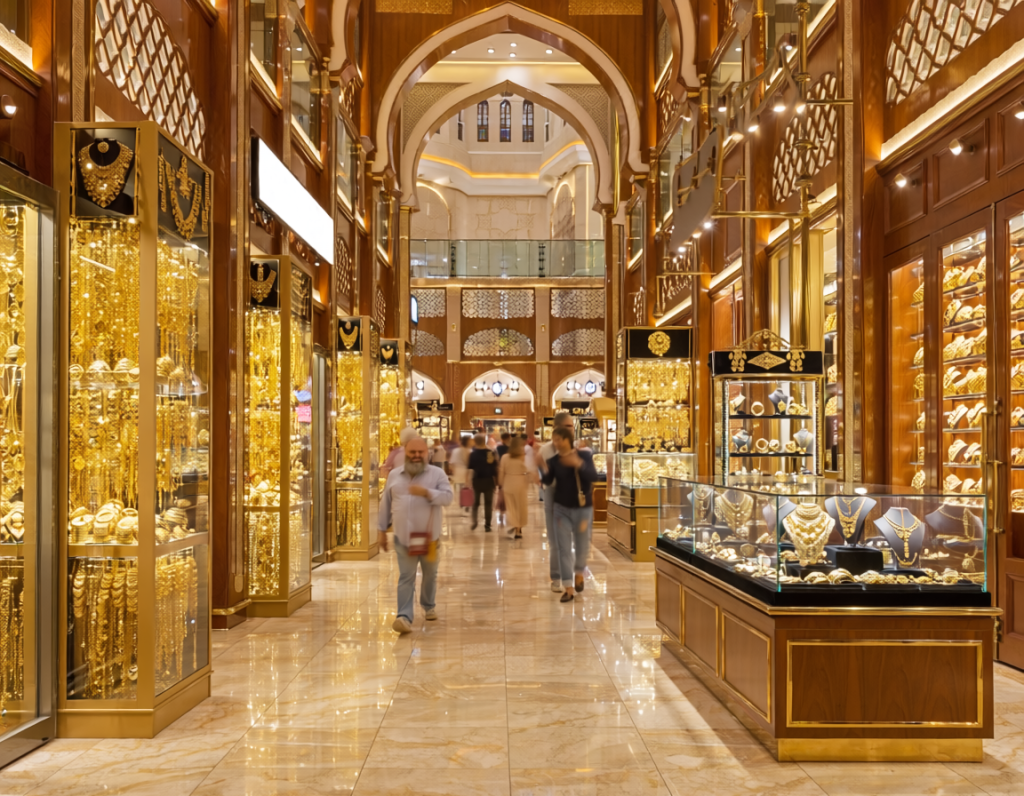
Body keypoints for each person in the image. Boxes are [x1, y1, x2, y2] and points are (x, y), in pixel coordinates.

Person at [379, 435, 453, 633]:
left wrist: (427, 493)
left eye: (421, 452)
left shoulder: (437, 474)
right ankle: (404, 616)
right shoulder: (394, 475)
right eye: (412, 452)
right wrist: (381, 530)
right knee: (406, 576)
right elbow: (385, 504)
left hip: (430, 538)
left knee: (430, 574)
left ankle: (429, 605)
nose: (416, 455)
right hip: (403, 537)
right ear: (406, 453)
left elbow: (448, 498)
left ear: (427, 453)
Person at [535, 412, 576, 592]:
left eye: (571, 426)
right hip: (553, 496)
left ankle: (568, 577)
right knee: (555, 541)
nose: (570, 430)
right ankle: (557, 577)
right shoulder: (546, 450)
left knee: (569, 540)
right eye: (566, 426)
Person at [499, 437, 535, 539]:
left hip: (508, 482)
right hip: (521, 483)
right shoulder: (522, 457)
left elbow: (501, 471)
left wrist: (500, 484)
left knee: (511, 507)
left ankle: (514, 526)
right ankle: (519, 529)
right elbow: (528, 470)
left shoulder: (505, 457)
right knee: (521, 507)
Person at [468, 433, 498, 532]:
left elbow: (470, 468)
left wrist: (467, 481)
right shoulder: (491, 452)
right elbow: (495, 468)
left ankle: (475, 521)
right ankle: (487, 525)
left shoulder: (472, 454)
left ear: (475, 441)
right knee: (488, 503)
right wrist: (497, 482)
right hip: (489, 480)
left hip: (477, 480)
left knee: (476, 503)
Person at [449, 435, 471, 512]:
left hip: (457, 471)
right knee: (467, 488)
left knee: (458, 489)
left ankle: (461, 502)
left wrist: (452, 471)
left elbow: (451, 463)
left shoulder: (455, 451)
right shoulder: (470, 451)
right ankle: (467, 503)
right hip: (467, 472)